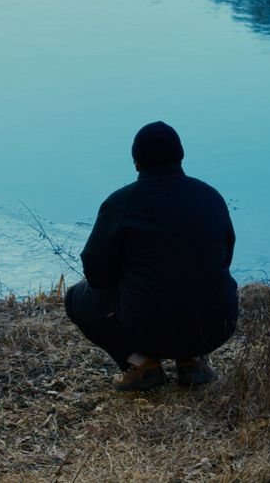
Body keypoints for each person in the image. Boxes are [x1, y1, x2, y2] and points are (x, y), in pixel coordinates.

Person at [64, 121, 238, 391]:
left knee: (75, 298)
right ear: (181, 156)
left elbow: (95, 273)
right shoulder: (210, 196)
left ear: (136, 162)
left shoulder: (122, 202)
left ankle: (141, 364)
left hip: (147, 330)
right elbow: (225, 258)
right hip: (217, 325)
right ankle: (191, 360)